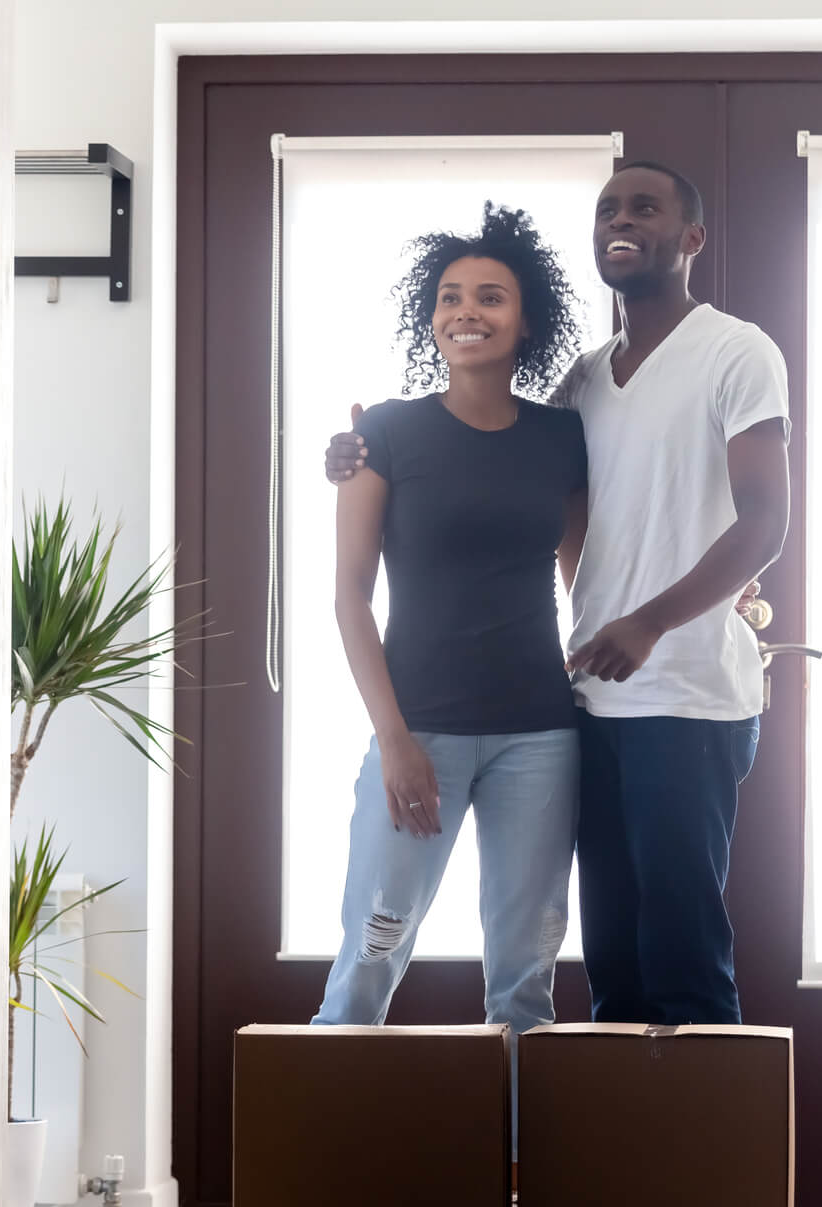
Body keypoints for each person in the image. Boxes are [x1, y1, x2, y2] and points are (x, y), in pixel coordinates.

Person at [326, 163, 791, 1026]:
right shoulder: (561, 391)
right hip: (523, 713)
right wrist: (354, 454)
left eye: (645, 207)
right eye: (608, 208)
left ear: (690, 238)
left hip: (623, 713)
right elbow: (378, 581)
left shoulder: (712, 361)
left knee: (615, 967)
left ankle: (654, 1159)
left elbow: (744, 526)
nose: (467, 311)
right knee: (571, 957)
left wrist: (654, 620)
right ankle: (586, 1152)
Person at [311, 202, 590, 1053]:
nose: (467, 311)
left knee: (523, 982)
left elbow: (588, 579)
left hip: (539, 735)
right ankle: (326, 1171)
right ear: (430, 316)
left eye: (491, 297)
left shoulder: (562, 436)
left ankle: (514, 1177)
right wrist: (393, 740)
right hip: (419, 730)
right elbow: (350, 596)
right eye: (450, 296)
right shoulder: (386, 433)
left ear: (525, 320)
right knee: (370, 955)